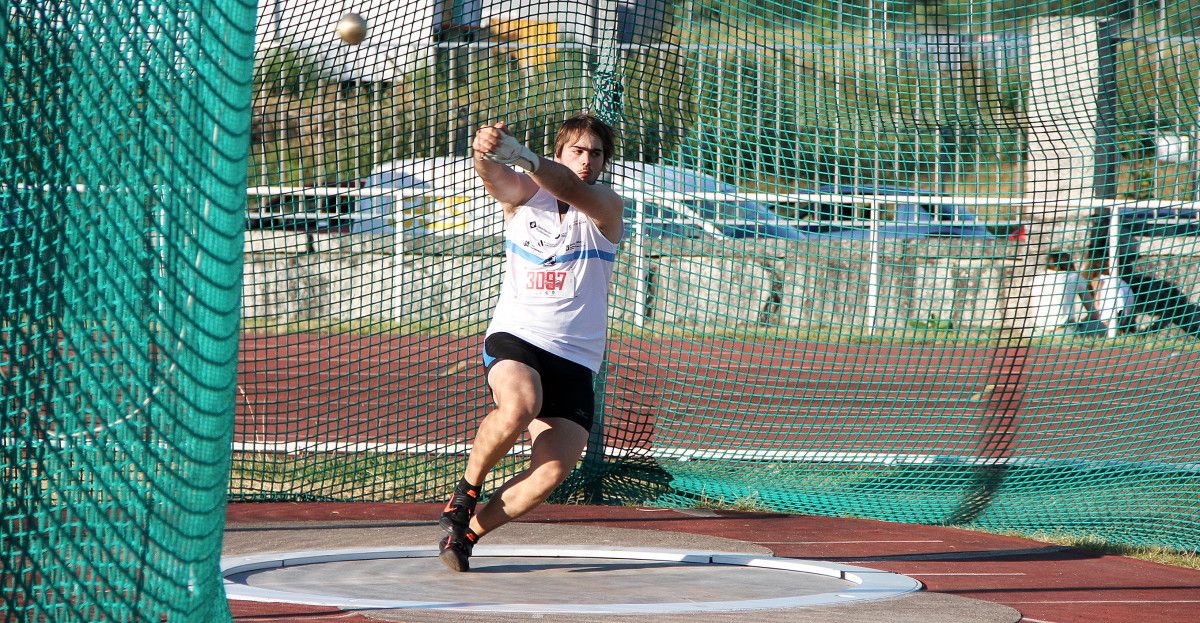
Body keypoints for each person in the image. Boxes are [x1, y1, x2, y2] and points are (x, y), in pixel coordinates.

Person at [437, 113, 624, 572]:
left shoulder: (604, 205)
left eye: (596, 153)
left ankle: (466, 537)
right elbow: (497, 179)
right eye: (577, 151)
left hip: (577, 358)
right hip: (518, 336)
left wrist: (521, 154)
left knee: (552, 472)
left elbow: (571, 189)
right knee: (520, 404)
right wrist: (485, 153)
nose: (587, 161)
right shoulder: (525, 197)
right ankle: (464, 493)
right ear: (560, 152)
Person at [1027, 249, 1102, 335]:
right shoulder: (1073, 277)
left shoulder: (1037, 278)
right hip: (1064, 331)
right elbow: (1093, 313)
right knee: (1101, 326)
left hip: (1036, 331)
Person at [1082, 260, 1135, 336]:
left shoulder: (1098, 280)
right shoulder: (1123, 283)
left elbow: (1096, 311)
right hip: (1120, 323)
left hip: (1106, 324)